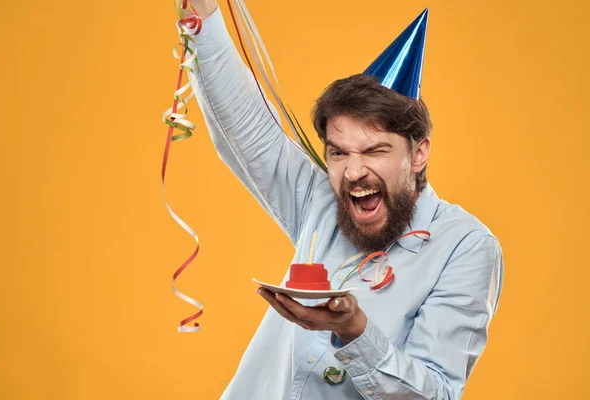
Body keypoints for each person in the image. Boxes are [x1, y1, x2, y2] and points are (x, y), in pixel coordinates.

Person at [182, 1, 503, 398]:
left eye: (374, 151)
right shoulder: (322, 203)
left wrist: (354, 331)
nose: (353, 173)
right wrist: (202, 16)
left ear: (418, 153)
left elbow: (434, 392)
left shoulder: (466, 247)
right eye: (338, 152)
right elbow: (249, 130)